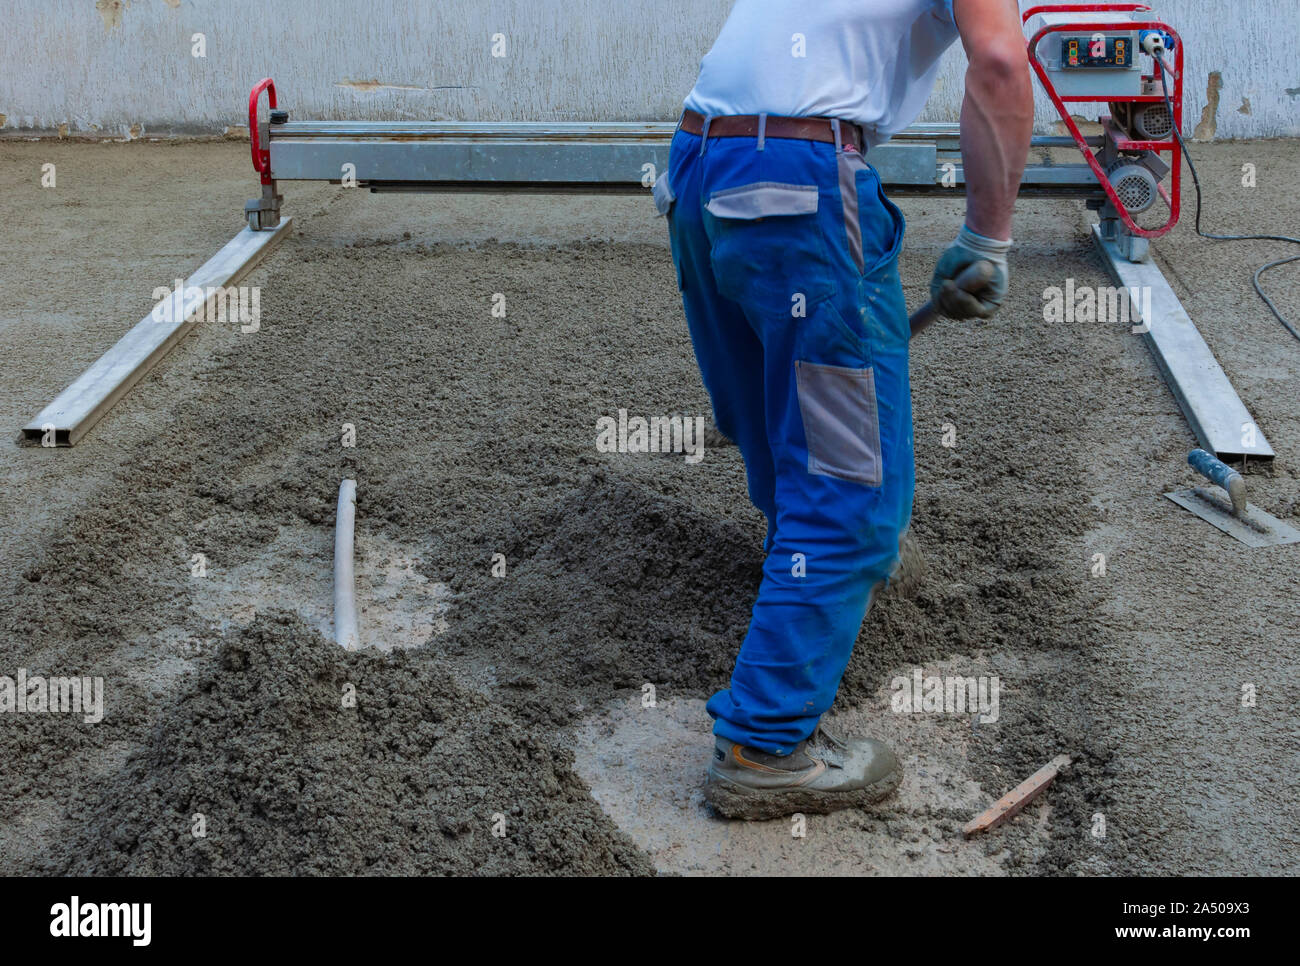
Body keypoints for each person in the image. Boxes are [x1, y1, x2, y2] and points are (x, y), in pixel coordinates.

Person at [655, 0, 1033, 820]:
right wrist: (989, 237)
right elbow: (1000, 65)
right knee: (853, 486)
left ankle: (804, 574)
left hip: (699, 165)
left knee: (775, 418)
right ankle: (764, 746)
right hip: (796, 185)